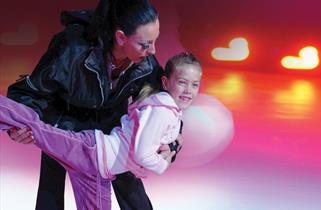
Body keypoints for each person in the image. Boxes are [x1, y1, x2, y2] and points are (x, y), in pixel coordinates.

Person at [6, 0, 178, 209]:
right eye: (145, 44)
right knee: (51, 191)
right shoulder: (72, 48)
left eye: (154, 41)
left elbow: (165, 103)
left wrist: (173, 143)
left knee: (133, 191)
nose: (153, 50)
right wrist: (19, 127)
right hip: (65, 123)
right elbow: (29, 92)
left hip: (112, 129)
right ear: (121, 37)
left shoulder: (146, 62)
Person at [0, 52, 202, 210]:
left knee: (39, 131)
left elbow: (155, 137)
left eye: (195, 84)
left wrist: (172, 145)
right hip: (91, 149)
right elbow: (143, 152)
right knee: (39, 130)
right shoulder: (162, 110)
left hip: (102, 168)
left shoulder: (165, 102)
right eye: (183, 83)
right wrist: (160, 165)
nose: (189, 90)